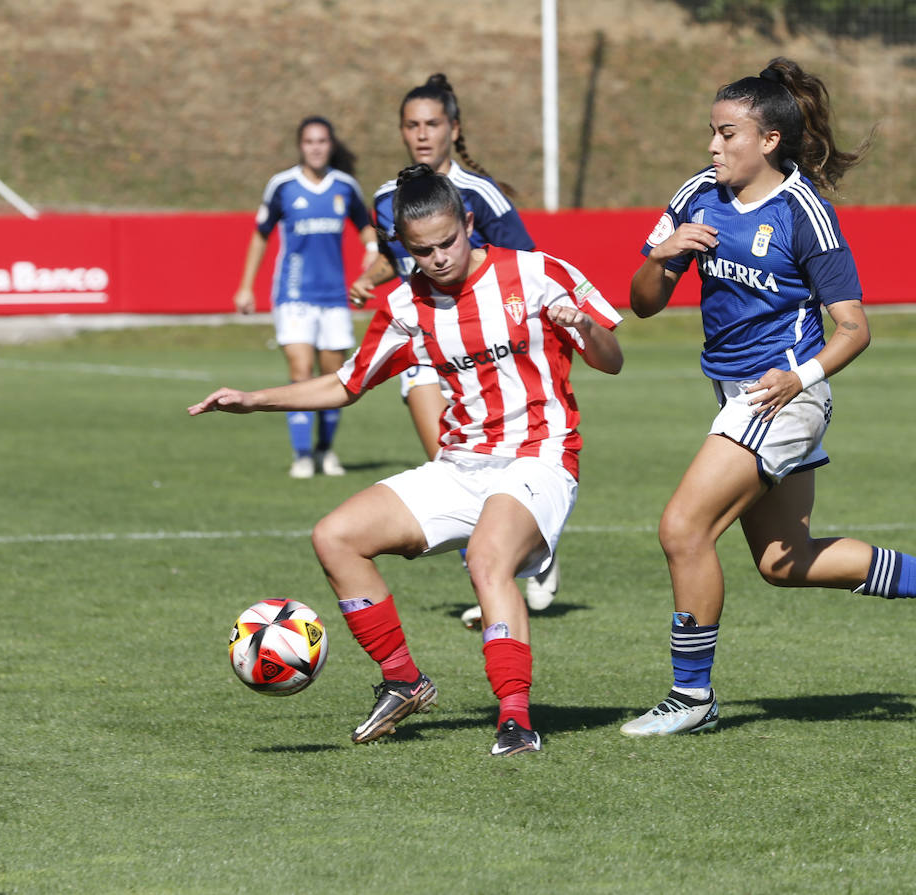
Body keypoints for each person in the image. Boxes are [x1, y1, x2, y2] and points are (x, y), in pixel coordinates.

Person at [192, 164, 624, 756]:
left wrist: (586, 330)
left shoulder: (538, 273)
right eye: (422, 250)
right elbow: (346, 383)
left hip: (539, 457)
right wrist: (254, 400)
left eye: (448, 241)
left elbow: (612, 359)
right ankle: (403, 682)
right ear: (403, 248)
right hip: (459, 466)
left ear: (469, 222)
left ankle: (516, 720)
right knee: (335, 536)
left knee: (488, 559)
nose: (439, 257)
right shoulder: (404, 306)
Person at [619, 58, 916, 738]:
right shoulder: (698, 194)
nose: (712, 145)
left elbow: (854, 329)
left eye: (727, 133)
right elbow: (642, 305)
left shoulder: (804, 215)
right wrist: (660, 255)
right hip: (739, 395)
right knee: (782, 561)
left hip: (782, 399)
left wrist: (800, 378)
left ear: (768, 141)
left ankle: (691, 697)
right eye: (710, 131)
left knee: (682, 528)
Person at [350, 74, 558, 625]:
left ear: (453, 129)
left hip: (486, 346)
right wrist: (372, 276)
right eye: (412, 125)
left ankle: (515, 549)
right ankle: (497, 568)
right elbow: (393, 259)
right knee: (449, 459)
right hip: (419, 345)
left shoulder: (480, 195)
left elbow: (526, 267)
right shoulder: (384, 197)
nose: (422, 135)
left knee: (491, 458)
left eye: (433, 124)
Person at [232, 115, 381, 479]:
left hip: (334, 298)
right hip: (294, 295)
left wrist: (372, 247)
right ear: (301, 146)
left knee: (334, 378)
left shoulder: (344, 186)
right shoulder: (282, 186)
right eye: (310, 141)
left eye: (322, 141)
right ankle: (301, 455)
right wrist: (245, 286)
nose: (316, 147)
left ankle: (325, 451)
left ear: (330, 145)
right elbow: (260, 235)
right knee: (299, 373)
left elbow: (365, 227)